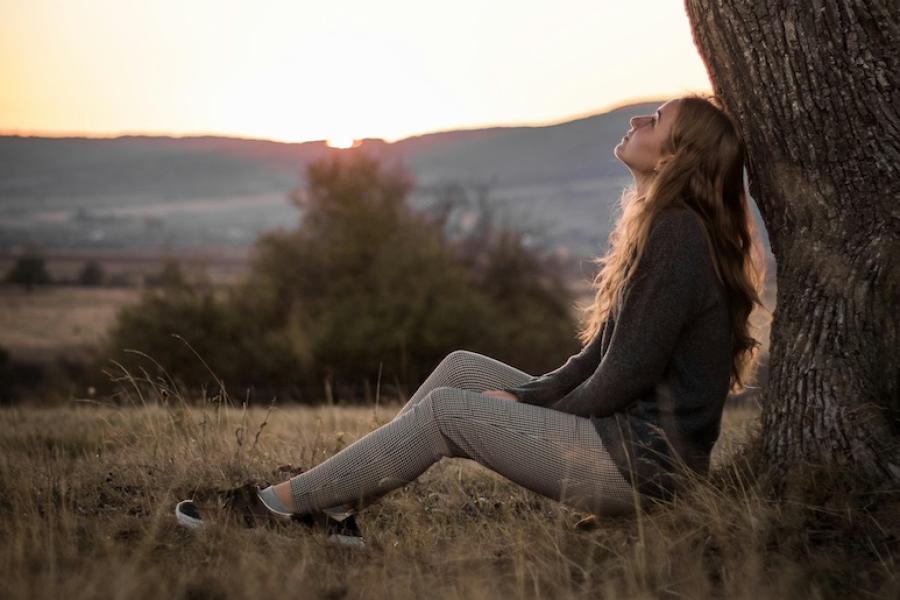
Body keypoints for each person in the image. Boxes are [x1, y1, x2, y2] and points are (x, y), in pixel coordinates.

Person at [176, 94, 765, 532]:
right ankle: (332, 511)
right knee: (461, 369)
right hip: (622, 444)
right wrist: (526, 397)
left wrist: (526, 408)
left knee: (447, 411)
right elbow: (594, 360)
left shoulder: (677, 235)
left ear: (675, 158)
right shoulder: (666, 229)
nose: (637, 121)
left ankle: (274, 508)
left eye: (655, 121)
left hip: (641, 466)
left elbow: (624, 377)